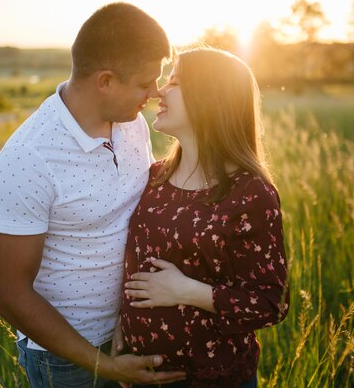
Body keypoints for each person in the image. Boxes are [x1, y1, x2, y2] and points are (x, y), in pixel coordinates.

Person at [0, 3, 186, 388]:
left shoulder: (132, 125)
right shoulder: (28, 160)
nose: (155, 92)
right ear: (105, 81)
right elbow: (10, 295)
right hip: (67, 359)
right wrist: (104, 366)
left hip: (132, 331)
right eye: (146, 82)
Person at [117, 47, 290, 388]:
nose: (159, 91)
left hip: (213, 379)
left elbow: (272, 302)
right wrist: (122, 328)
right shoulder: (154, 177)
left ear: (210, 99)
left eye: (175, 82)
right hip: (140, 375)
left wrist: (187, 291)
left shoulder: (250, 193)